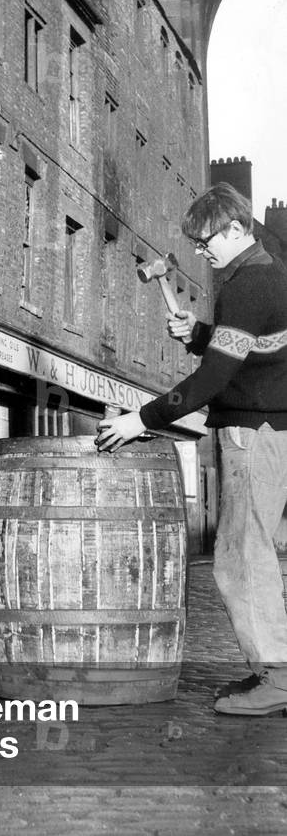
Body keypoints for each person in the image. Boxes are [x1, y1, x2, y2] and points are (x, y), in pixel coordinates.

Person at [96, 182, 287, 716]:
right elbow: (258, 350)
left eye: (207, 243)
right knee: (252, 554)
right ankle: (275, 670)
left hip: (255, 435)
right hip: (271, 431)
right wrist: (201, 332)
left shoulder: (247, 285)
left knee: (240, 558)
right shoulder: (266, 276)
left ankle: (277, 675)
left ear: (236, 228)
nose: (203, 253)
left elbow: (211, 381)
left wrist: (143, 418)